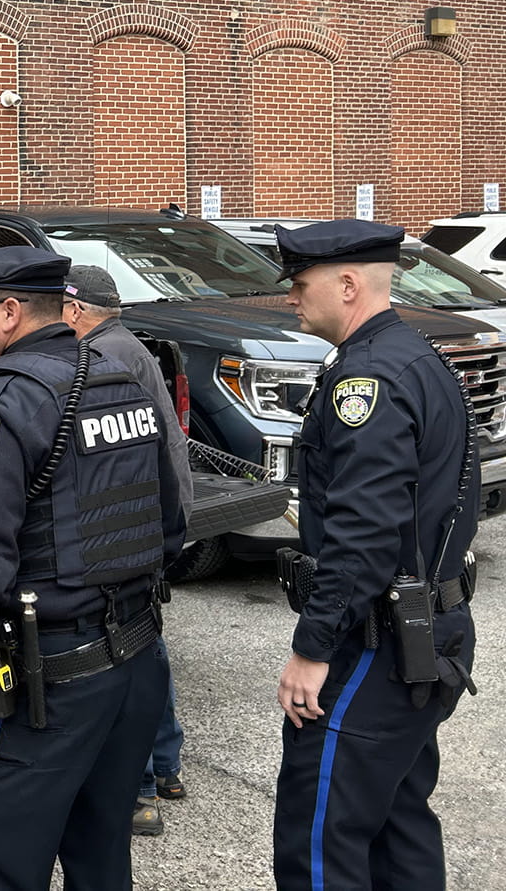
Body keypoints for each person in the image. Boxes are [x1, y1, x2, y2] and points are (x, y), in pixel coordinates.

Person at [0, 245, 186, 891]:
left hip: (45, 689)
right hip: (133, 667)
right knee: (100, 857)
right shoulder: (119, 380)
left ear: (9, 310)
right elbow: (169, 522)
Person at [272, 220, 478, 890]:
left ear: (349, 284)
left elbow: (364, 533)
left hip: (377, 644)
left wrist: (313, 646)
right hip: (424, 629)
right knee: (397, 825)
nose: (293, 299)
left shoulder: (368, 380)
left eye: (301, 285)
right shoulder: (416, 356)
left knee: (320, 839)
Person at [61, 265, 192, 837]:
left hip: (132, 525)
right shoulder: (127, 345)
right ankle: (165, 766)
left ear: (74, 310)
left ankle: (138, 792)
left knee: (126, 653)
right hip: (155, 516)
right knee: (147, 643)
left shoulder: (102, 358)